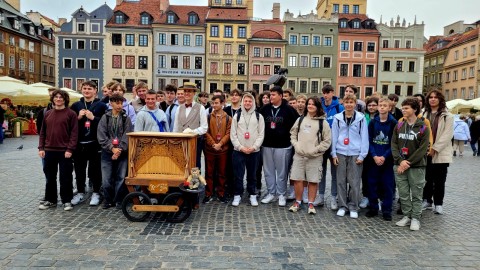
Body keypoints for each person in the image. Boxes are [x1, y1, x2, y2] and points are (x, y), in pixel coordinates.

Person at [392, 97, 430, 231]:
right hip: (399, 164)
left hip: (416, 166)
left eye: (406, 108)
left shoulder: (424, 127)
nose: (403, 110)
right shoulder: (400, 125)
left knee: (417, 193)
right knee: (403, 193)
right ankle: (407, 215)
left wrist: (407, 163)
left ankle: (415, 218)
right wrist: (400, 161)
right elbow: (394, 144)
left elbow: (423, 149)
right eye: (402, 107)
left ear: (414, 109)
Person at [289, 97, 331, 214]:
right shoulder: (300, 120)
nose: (310, 106)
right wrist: (296, 146)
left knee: (313, 180)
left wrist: (316, 150)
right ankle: (298, 201)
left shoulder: (323, 122)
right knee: (298, 179)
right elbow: (293, 134)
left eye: (313, 104)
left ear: (318, 107)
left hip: (315, 157)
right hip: (299, 155)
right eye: (309, 104)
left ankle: (311, 203)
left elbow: (327, 141)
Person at [38, 89, 78, 211]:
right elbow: (42, 132)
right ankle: (51, 200)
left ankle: (67, 200)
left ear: (65, 99)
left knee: (65, 176)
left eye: (61, 97)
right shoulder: (48, 113)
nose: (58, 99)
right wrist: (41, 148)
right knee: (50, 177)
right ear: (53, 99)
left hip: (65, 151)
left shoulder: (71, 114)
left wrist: (70, 149)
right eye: (56, 97)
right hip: (49, 150)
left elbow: (74, 134)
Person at [259, 86, 299, 207]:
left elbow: (297, 125)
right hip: (267, 145)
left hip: (283, 146)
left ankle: (281, 194)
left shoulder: (289, 110)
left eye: (274, 94)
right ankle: (271, 193)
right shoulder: (264, 109)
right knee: (268, 171)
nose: (271, 97)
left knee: (282, 172)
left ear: (280, 96)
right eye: (270, 94)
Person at [70, 81, 108, 206]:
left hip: (95, 143)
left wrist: (94, 118)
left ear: (95, 91)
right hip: (79, 144)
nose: (87, 91)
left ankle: (96, 192)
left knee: (95, 170)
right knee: (79, 169)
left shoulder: (102, 105)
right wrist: (78, 118)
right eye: (84, 88)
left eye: (89, 89)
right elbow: (69, 124)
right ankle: (80, 192)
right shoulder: (76, 105)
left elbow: (106, 124)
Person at [331, 94, 369, 219]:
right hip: (341, 152)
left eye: (351, 102)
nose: (348, 104)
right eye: (346, 102)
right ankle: (342, 206)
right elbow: (334, 136)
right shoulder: (337, 118)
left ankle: (353, 206)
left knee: (354, 181)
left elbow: (364, 137)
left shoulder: (361, 118)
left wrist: (362, 155)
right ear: (343, 103)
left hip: (355, 152)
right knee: (341, 180)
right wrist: (333, 153)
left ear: (355, 104)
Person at [97, 93, 133, 209]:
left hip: (122, 153)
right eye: (117, 103)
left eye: (121, 103)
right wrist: (112, 148)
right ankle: (108, 200)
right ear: (111, 103)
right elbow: (101, 135)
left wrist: (119, 150)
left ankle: (118, 200)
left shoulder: (125, 118)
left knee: (120, 177)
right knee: (106, 178)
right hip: (107, 153)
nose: (119, 105)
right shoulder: (105, 117)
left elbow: (127, 136)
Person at [421, 90, 454, 215]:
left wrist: (434, 149)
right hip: (425, 152)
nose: (433, 99)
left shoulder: (447, 116)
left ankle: (438, 203)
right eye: (430, 97)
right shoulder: (423, 114)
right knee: (427, 179)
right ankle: (427, 200)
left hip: (441, 153)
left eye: (435, 97)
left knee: (440, 180)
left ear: (440, 99)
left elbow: (447, 135)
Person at [230, 93, 265, 206]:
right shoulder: (237, 116)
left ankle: (252, 195)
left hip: (254, 151)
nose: (247, 103)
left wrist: (254, 147)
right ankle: (237, 195)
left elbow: (261, 134)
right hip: (239, 151)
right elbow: (233, 134)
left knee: (252, 175)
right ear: (242, 102)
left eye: (250, 101)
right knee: (238, 175)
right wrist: (241, 147)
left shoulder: (259, 116)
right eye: (246, 101)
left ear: (253, 102)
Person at [366, 97, 397, 221]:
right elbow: (369, 140)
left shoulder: (394, 123)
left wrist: (384, 156)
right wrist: (374, 155)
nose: (382, 107)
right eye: (380, 105)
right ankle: (373, 207)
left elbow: (394, 143)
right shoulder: (373, 122)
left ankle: (386, 210)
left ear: (390, 108)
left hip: (387, 160)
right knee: (372, 184)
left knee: (388, 185)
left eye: (385, 105)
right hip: (373, 159)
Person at [319, 84, 344, 209]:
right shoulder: (320, 106)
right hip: (322, 143)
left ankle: (334, 197)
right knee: (321, 171)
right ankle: (321, 196)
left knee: (335, 173)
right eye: (324, 92)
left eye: (328, 92)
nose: (325, 95)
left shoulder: (339, 107)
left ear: (332, 93)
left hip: (335, 144)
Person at [204, 95, 232, 203]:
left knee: (222, 172)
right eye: (213, 103)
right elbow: (206, 132)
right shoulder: (208, 117)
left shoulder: (228, 118)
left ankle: (221, 193)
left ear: (222, 103)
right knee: (209, 172)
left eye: (216, 103)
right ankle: (208, 193)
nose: (214, 105)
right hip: (210, 149)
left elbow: (228, 133)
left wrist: (220, 144)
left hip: (223, 150)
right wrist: (213, 144)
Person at [173, 83, 208, 169]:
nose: (187, 93)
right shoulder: (179, 108)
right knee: (181, 164)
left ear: (194, 93)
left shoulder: (200, 108)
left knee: (194, 165)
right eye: (185, 91)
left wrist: (192, 132)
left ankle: (195, 182)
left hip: (195, 142)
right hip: (181, 142)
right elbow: (176, 127)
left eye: (189, 91)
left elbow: (204, 127)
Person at [359, 96, 379, 209]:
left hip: (377, 149)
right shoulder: (362, 117)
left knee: (376, 176)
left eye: (374, 105)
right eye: (369, 105)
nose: (371, 107)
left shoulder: (380, 117)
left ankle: (376, 198)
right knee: (365, 176)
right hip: (365, 149)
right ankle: (366, 196)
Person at [224, 89, 243, 198]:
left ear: (240, 97)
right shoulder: (226, 110)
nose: (234, 97)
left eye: (237, 95)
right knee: (228, 167)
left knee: (239, 167)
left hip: (240, 141)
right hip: (228, 142)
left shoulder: (243, 110)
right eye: (232, 95)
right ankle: (229, 188)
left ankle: (238, 188)